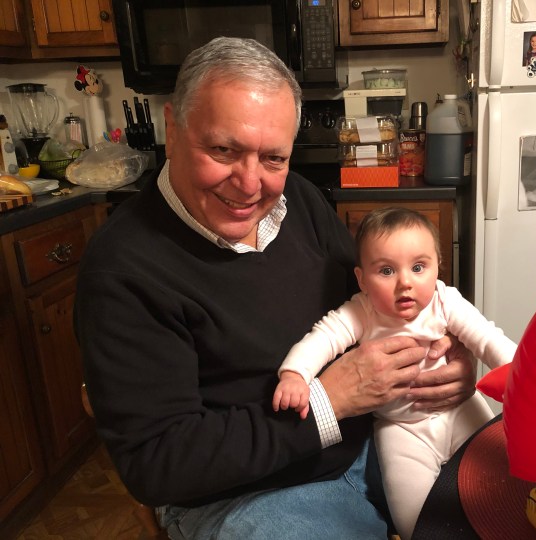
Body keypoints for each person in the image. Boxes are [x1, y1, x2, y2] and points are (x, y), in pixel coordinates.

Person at [74, 37, 477, 540]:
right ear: (171, 129)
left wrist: (446, 358)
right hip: (246, 494)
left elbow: (378, 302)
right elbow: (159, 464)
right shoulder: (123, 270)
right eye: (223, 150)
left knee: (510, 501)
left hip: (383, 432)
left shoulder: (300, 201)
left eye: (273, 158)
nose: (249, 184)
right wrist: (331, 401)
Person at [273, 207, 516, 540]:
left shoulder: (445, 301)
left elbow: (487, 339)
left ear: (437, 266)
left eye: (418, 267)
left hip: (460, 409)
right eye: (386, 271)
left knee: (501, 479)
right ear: (362, 279)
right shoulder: (361, 310)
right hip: (400, 428)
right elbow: (323, 338)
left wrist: (520, 373)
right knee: (413, 517)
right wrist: (295, 374)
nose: (405, 283)